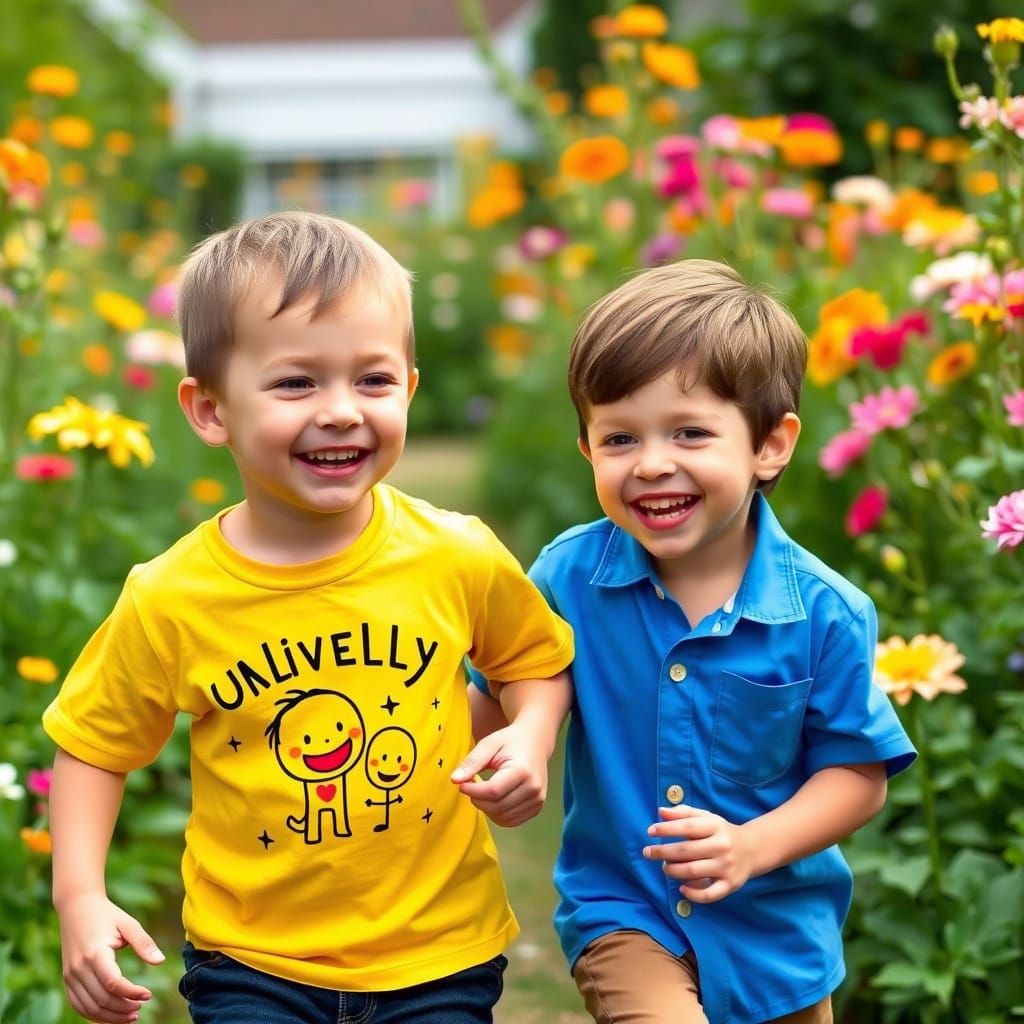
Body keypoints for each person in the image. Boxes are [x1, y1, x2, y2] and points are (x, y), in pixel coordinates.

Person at [43, 211, 574, 1024]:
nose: (340, 411)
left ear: (410, 388)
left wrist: (531, 736)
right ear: (211, 410)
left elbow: (533, 660)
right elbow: (92, 743)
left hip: (437, 950)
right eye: (297, 383)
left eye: (373, 380)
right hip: (250, 959)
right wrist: (79, 895)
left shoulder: (455, 555)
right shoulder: (173, 595)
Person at [470, 259, 916, 1024]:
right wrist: (513, 750)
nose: (651, 463)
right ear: (586, 451)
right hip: (625, 912)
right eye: (619, 437)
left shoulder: (826, 613)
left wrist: (755, 847)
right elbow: (505, 695)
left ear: (770, 446)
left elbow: (857, 773)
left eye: (689, 432)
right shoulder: (568, 580)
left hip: (778, 938)